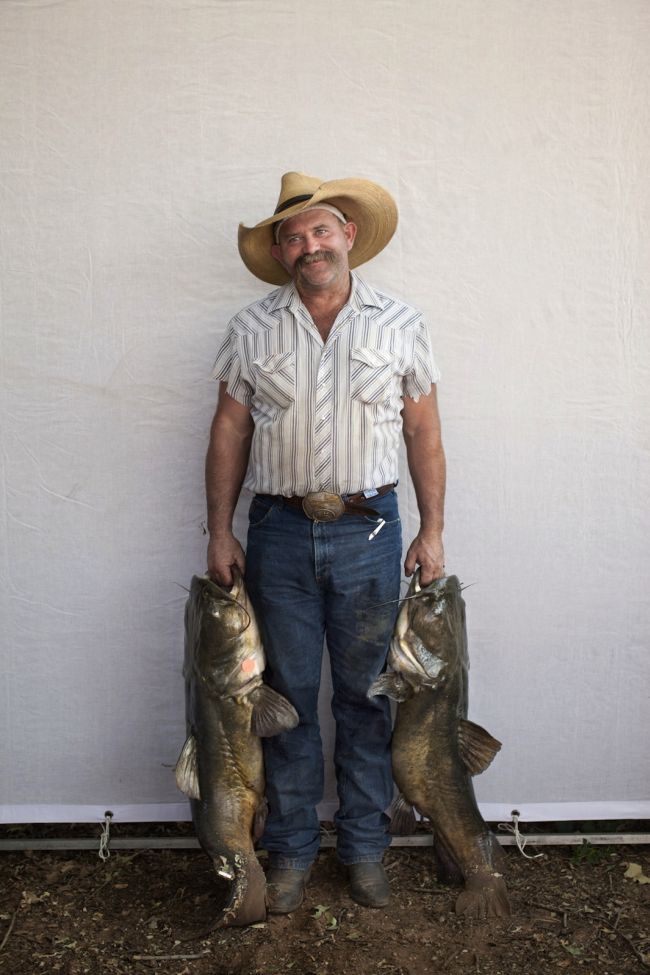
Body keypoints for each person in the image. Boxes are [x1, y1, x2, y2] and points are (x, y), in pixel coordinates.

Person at [205, 172, 445, 913]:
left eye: (321, 229)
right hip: (276, 535)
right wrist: (219, 529)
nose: (310, 244)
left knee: (368, 698)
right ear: (280, 252)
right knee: (286, 702)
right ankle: (292, 853)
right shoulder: (251, 328)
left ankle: (368, 849)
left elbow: (423, 433)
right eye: (293, 235)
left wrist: (433, 529)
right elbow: (229, 431)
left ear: (347, 234)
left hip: (372, 534)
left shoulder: (401, 321)